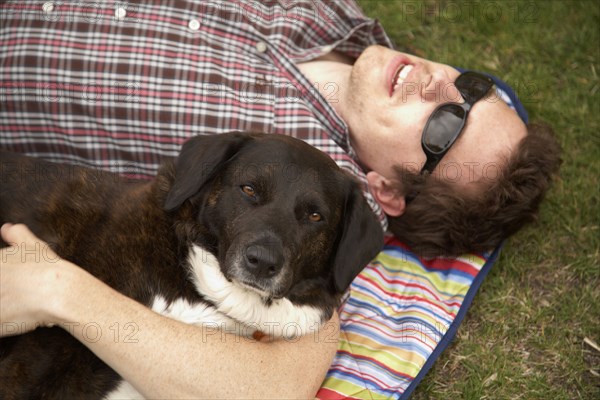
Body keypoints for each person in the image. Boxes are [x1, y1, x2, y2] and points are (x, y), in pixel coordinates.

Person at [0, 0, 561, 398]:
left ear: (388, 191)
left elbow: (276, 386)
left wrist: (59, 291)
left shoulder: (322, 194)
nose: (441, 84)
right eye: (472, 89)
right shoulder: (348, 25)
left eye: (440, 129)